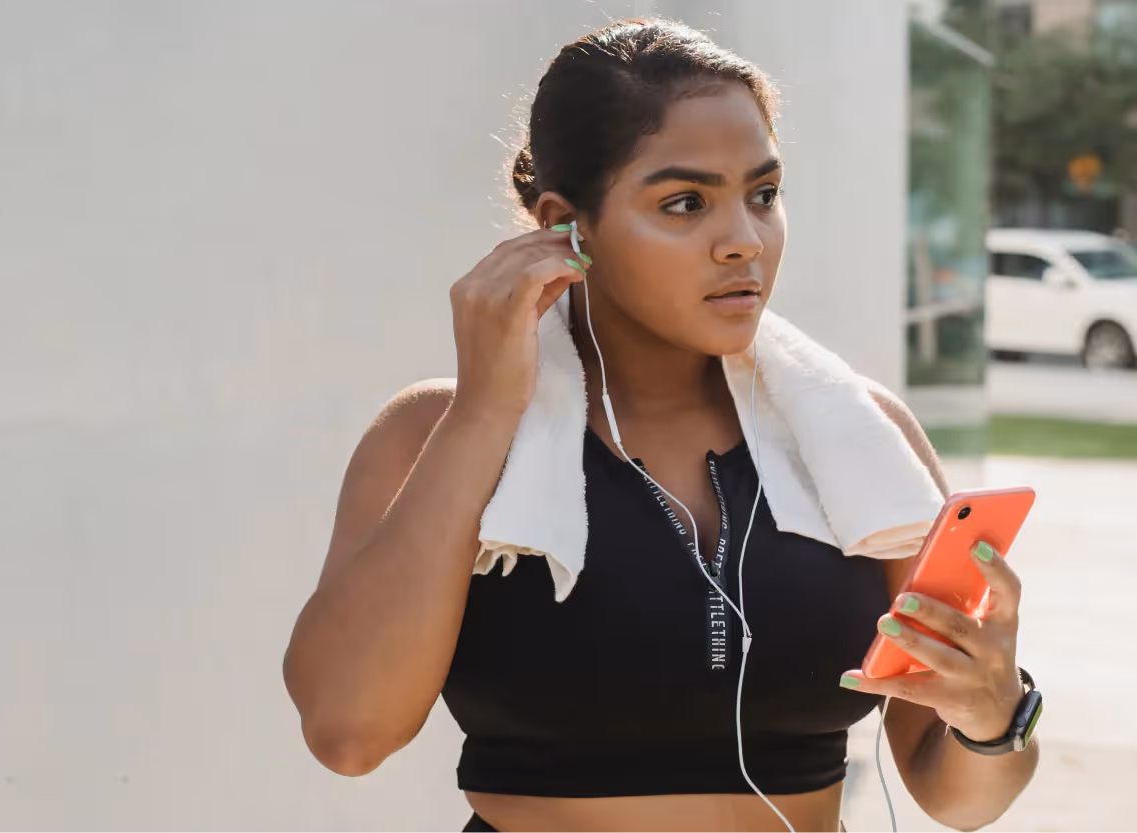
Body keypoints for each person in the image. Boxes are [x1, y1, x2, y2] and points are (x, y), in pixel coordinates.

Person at [283, 18, 1039, 833]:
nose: (743, 241)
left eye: (764, 194)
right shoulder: (434, 432)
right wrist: (484, 411)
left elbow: (959, 798)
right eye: (685, 203)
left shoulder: (863, 439)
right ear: (566, 227)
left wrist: (997, 712)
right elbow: (349, 732)